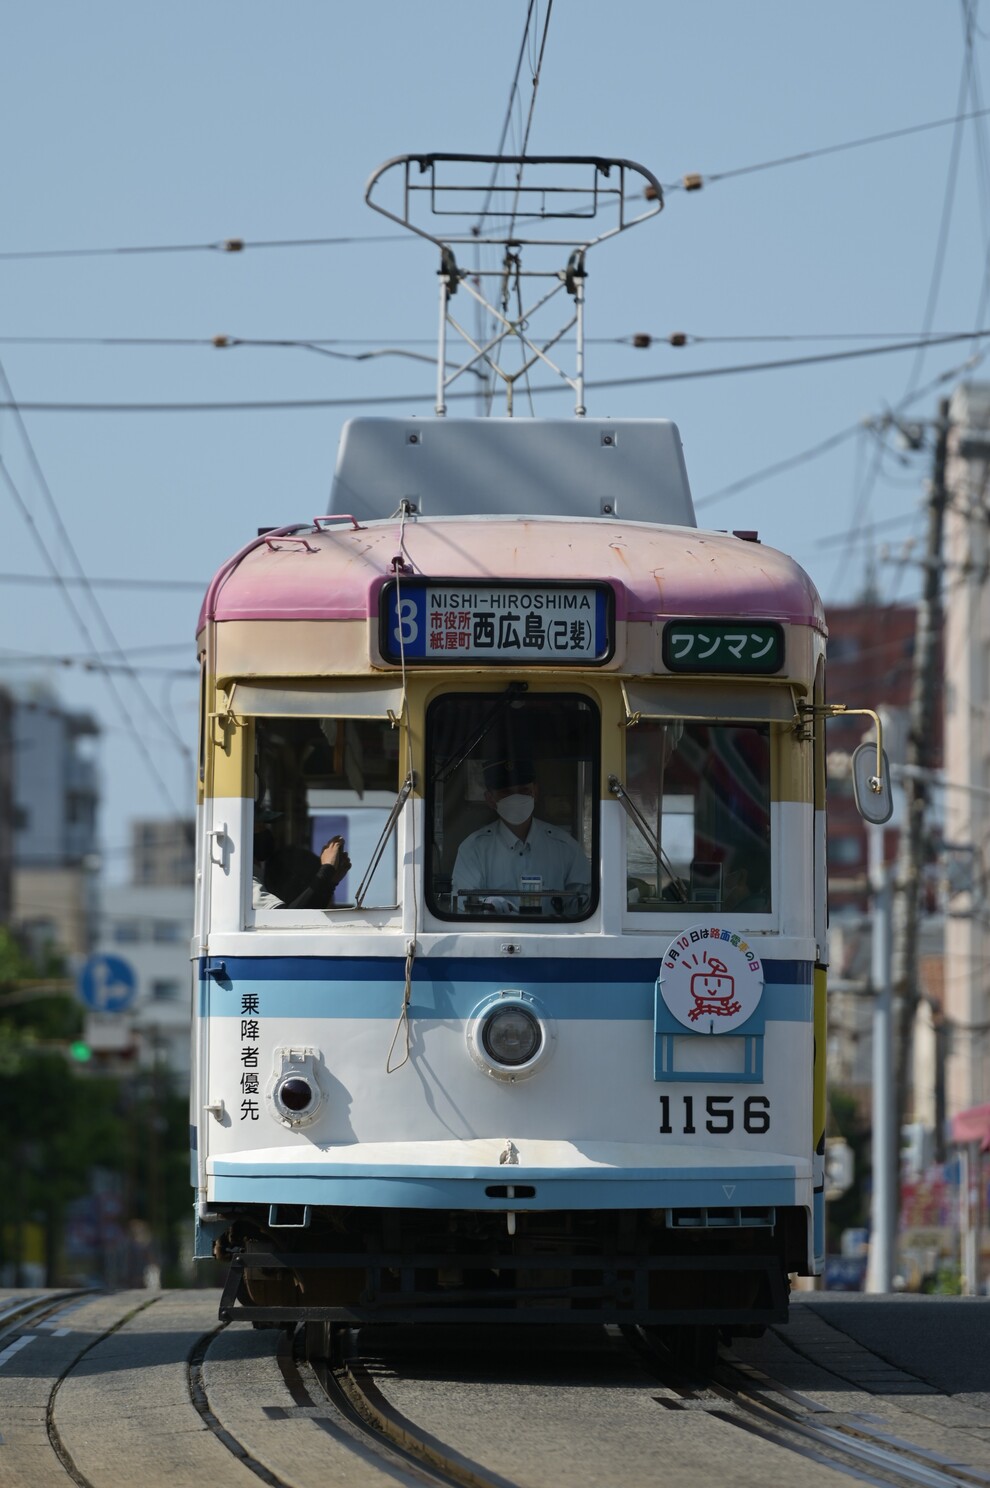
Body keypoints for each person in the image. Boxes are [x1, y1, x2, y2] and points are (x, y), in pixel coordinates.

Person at [451, 758, 591, 915]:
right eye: (507, 793)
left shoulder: (565, 847)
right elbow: (463, 907)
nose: (516, 799)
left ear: (535, 792)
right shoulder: (473, 849)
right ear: (490, 799)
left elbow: (585, 905)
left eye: (524, 791)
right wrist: (487, 905)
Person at [253, 808, 351, 909]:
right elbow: (290, 920)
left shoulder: (258, 876)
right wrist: (326, 870)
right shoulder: (245, 885)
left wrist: (330, 883)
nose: (264, 831)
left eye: (263, 826)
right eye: (257, 827)